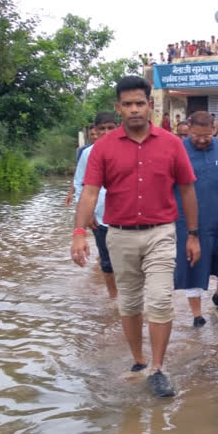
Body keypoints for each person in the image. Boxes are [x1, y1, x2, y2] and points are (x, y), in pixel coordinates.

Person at [71, 75, 201, 398]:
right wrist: (78, 233)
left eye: (139, 103)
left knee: (159, 299)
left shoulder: (172, 144)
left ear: (150, 106)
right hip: (119, 235)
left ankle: (158, 368)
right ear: (118, 108)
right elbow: (89, 194)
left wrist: (194, 235)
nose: (134, 110)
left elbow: (187, 190)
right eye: (127, 104)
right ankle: (139, 361)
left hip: (161, 233)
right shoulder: (102, 148)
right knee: (129, 302)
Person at [175, 112, 218, 328]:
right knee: (192, 267)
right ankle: (197, 316)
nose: (203, 140)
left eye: (207, 135)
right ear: (188, 128)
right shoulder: (178, 150)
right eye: (197, 135)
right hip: (189, 222)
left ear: (215, 129)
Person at [73, 114, 119, 298]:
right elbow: (79, 185)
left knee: (131, 261)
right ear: (95, 131)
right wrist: (86, 216)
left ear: (118, 128)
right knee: (107, 261)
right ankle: (114, 297)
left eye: (110, 128)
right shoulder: (87, 153)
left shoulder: (129, 150)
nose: (106, 132)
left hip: (126, 216)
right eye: (102, 129)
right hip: (99, 216)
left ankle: (131, 299)